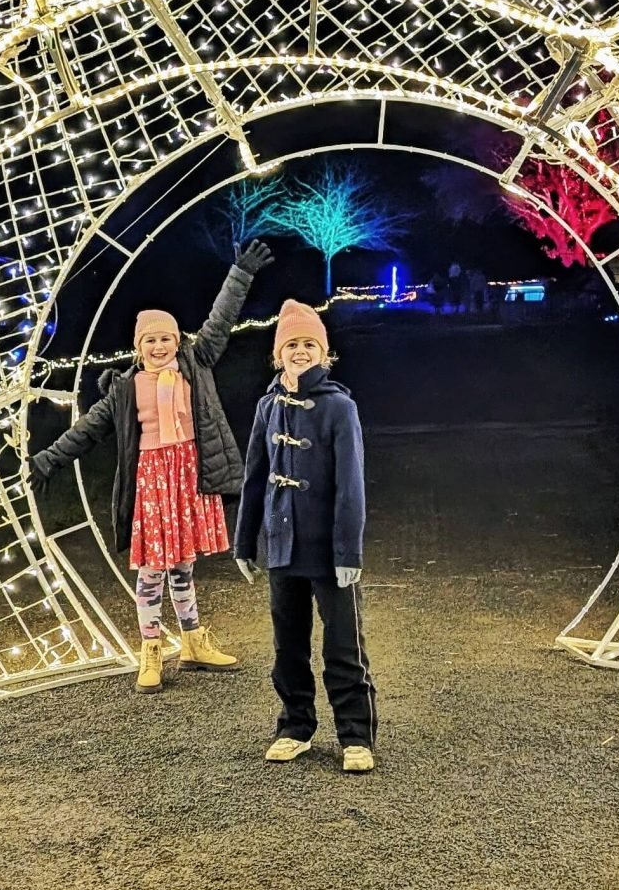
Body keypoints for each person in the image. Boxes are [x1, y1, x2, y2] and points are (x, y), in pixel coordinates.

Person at [29, 241, 274, 694]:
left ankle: (193, 639)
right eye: (150, 341)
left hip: (189, 476)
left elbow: (219, 322)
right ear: (139, 348)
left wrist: (240, 273)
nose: (160, 346)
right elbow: (88, 430)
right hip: (155, 480)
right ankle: (151, 647)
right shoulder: (125, 389)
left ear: (177, 341)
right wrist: (49, 458)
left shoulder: (194, 366)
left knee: (182, 563)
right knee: (152, 569)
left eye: (166, 338)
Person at [234, 300, 377, 772]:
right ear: (278, 354)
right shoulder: (266, 407)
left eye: (309, 344)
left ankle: (356, 734)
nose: (300, 351)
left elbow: (350, 483)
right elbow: (256, 475)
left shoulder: (340, 406)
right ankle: (295, 725)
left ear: (324, 352)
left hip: (327, 547)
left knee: (343, 643)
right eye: (291, 344)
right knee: (287, 642)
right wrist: (244, 541)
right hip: (280, 542)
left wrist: (348, 548)